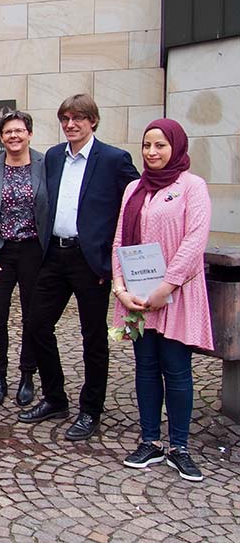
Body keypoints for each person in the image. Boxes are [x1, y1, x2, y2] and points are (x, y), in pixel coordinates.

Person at [18, 94, 139, 441]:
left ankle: (91, 410)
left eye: (78, 119)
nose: (71, 125)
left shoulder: (114, 159)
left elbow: (133, 204)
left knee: (93, 337)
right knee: (37, 325)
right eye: (65, 119)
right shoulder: (54, 157)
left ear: (93, 121)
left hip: (91, 261)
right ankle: (55, 397)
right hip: (55, 254)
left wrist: (117, 255)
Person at [112, 118, 212, 481]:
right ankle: (150, 441)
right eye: (146, 145)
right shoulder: (134, 189)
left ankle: (180, 446)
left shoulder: (192, 187)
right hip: (138, 296)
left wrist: (167, 286)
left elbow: (194, 240)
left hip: (176, 295)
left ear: (176, 147)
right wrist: (121, 288)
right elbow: (120, 241)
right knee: (146, 368)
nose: (152, 153)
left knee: (177, 369)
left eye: (160, 146)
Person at [0, 111, 50, 408]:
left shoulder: (46, 165)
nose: (14, 136)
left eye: (19, 131)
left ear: (29, 134)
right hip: (0, 251)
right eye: (8, 132)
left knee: (33, 317)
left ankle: (27, 376)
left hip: (34, 250)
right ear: (1, 137)